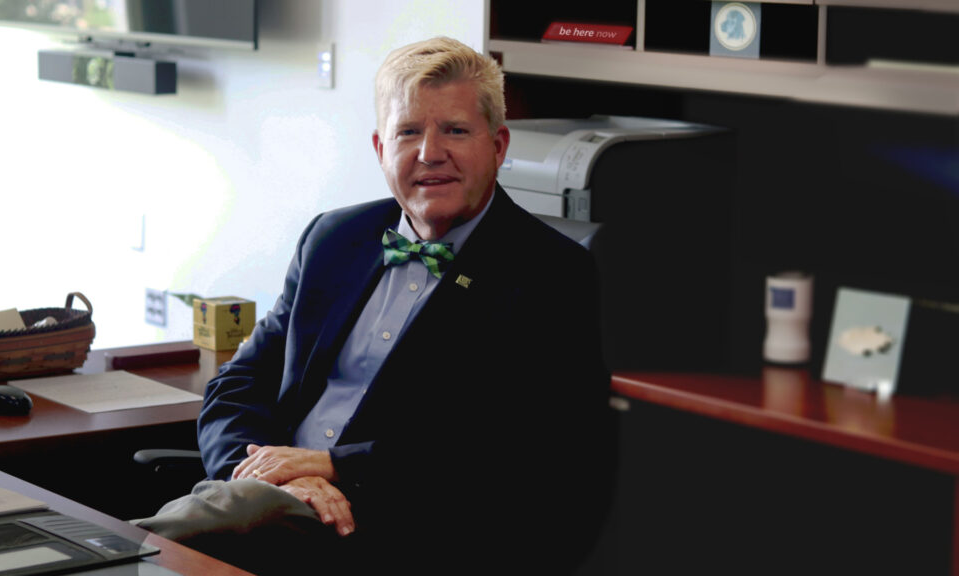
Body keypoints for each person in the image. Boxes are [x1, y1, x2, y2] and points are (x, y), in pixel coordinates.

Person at [137, 36, 611, 574]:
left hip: (400, 527)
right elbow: (238, 384)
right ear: (380, 149)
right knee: (232, 514)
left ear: (497, 146)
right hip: (264, 503)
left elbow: (515, 452)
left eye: (455, 130)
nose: (430, 153)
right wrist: (268, 474)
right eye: (408, 132)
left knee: (157, 545)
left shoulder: (550, 274)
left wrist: (334, 467)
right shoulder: (334, 237)